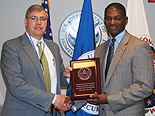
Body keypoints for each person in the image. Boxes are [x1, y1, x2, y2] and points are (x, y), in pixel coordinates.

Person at [0, 4, 73, 116]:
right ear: (25, 21)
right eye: (33, 18)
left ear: (46, 23)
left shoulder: (53, 47)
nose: (39, 22)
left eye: (42, 19)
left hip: (53, 113)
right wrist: (54, 99)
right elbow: (16, 86)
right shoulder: (12, 46)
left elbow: (55, 78)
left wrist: (66, 76)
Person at [86, 2, 154, 116]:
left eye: (117, 18)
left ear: (126, 20)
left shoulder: (139, 46)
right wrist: (75, 98)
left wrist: (109, 99)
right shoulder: (100, 49)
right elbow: (97, 84)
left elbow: (145, 87)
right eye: (108, 18)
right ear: (104, 21)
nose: (112, 22)